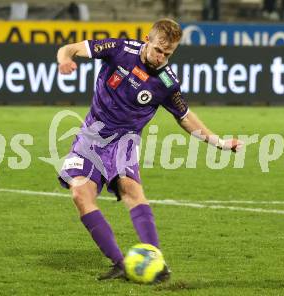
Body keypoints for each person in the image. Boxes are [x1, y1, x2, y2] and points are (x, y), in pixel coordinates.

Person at [56, 19, 243, 281]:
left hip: (125, 143)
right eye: (158, 50)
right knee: (79, 193)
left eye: (168, 54)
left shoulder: (166, 82)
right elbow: (70, 48)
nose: (161, 58)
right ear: (147, 39)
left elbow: (186, 117)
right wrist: (64, 60)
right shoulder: (120, 50)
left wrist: (220, 143)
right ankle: (121, 263)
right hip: (92, 136)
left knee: (131, 190)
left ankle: (156, 261)